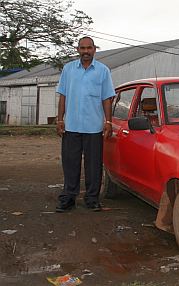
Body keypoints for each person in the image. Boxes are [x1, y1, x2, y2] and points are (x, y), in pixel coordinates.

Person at [55, 36, 115, 212]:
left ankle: (92, 199)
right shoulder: (68, 70)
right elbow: (63, 96)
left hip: (93, 127)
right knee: (70, 163)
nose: (86, 51)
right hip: (71, 127)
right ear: (77, 50)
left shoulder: (103, 71)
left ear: (94, 49)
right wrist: (60, 119)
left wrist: (108, 121)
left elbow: (107, 99)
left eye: (89, 48)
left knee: (94, 165)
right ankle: (68, 198)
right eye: (82, 48)